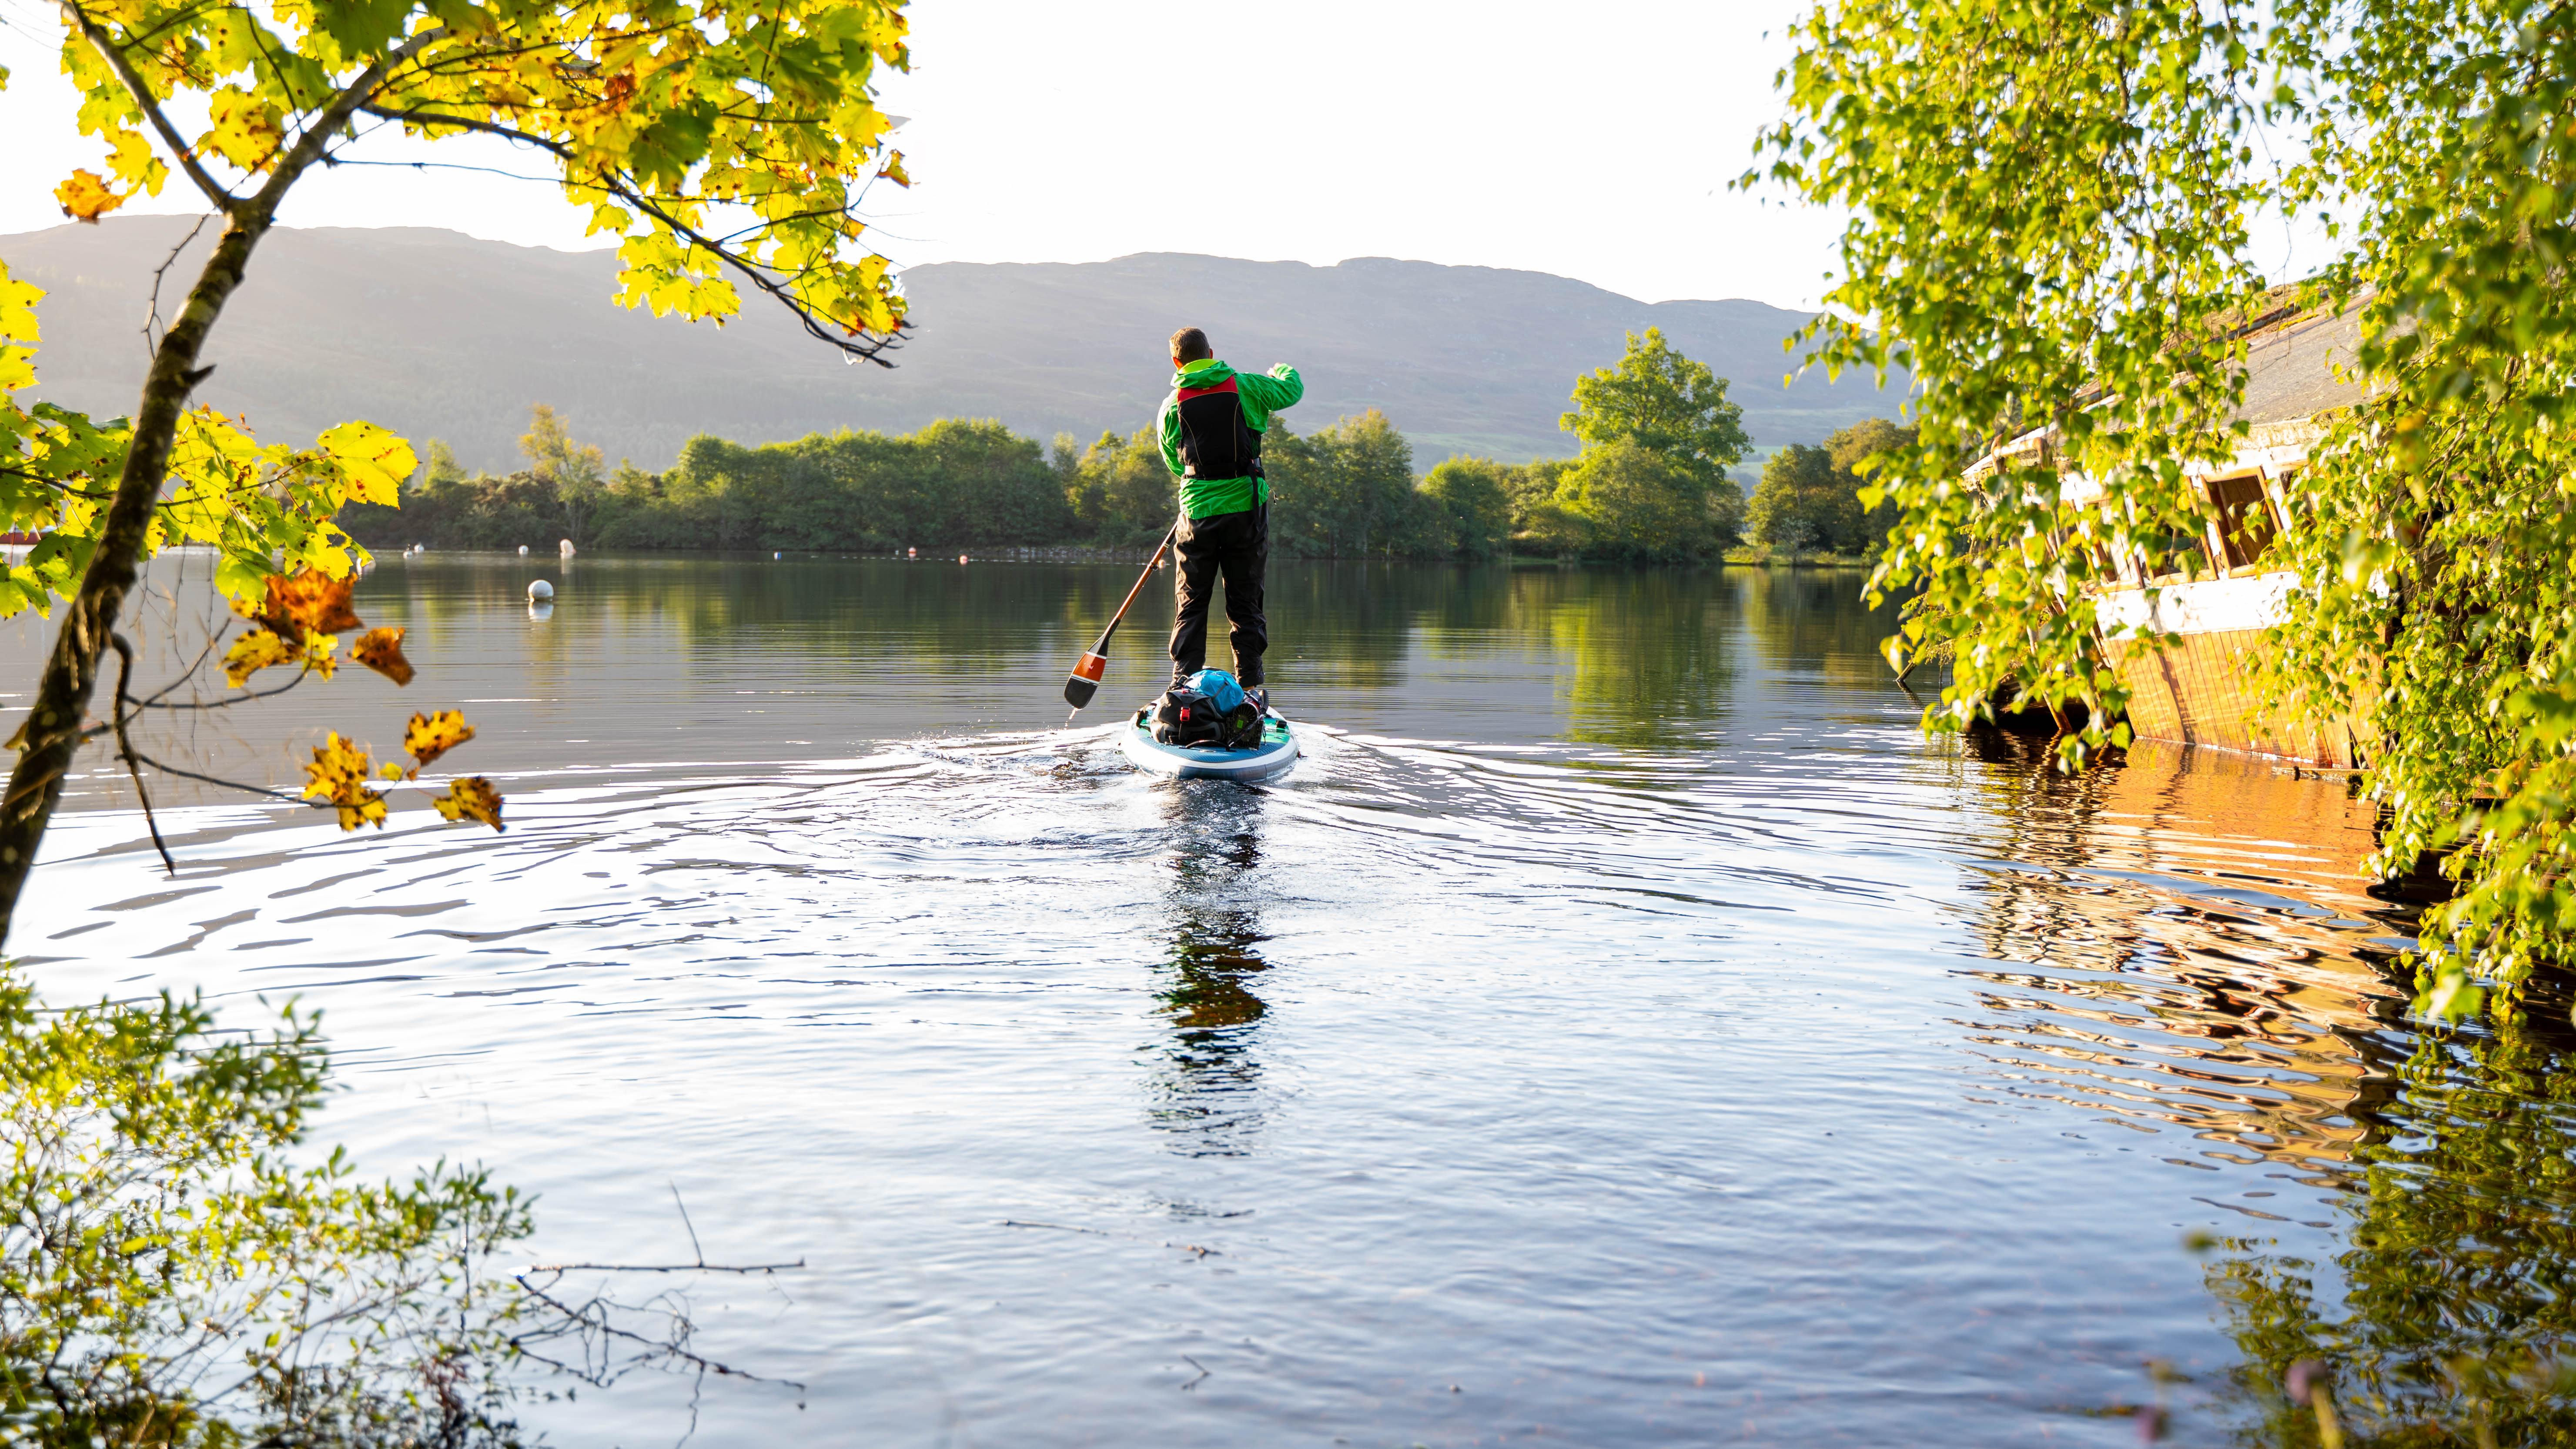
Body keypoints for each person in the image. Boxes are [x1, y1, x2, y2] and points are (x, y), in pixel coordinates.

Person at [1158, 326, 1302, 707]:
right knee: (1245, 602)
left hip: (1197, 514)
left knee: (1191, 602)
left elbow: (1175, 462)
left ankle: (1182, 688)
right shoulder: (1249, 386)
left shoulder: (1172, 405)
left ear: (1177, 361)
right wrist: (1281, 370)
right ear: (1211, 352)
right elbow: (1292, 390)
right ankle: (1252, 691)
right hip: (1245, 514)